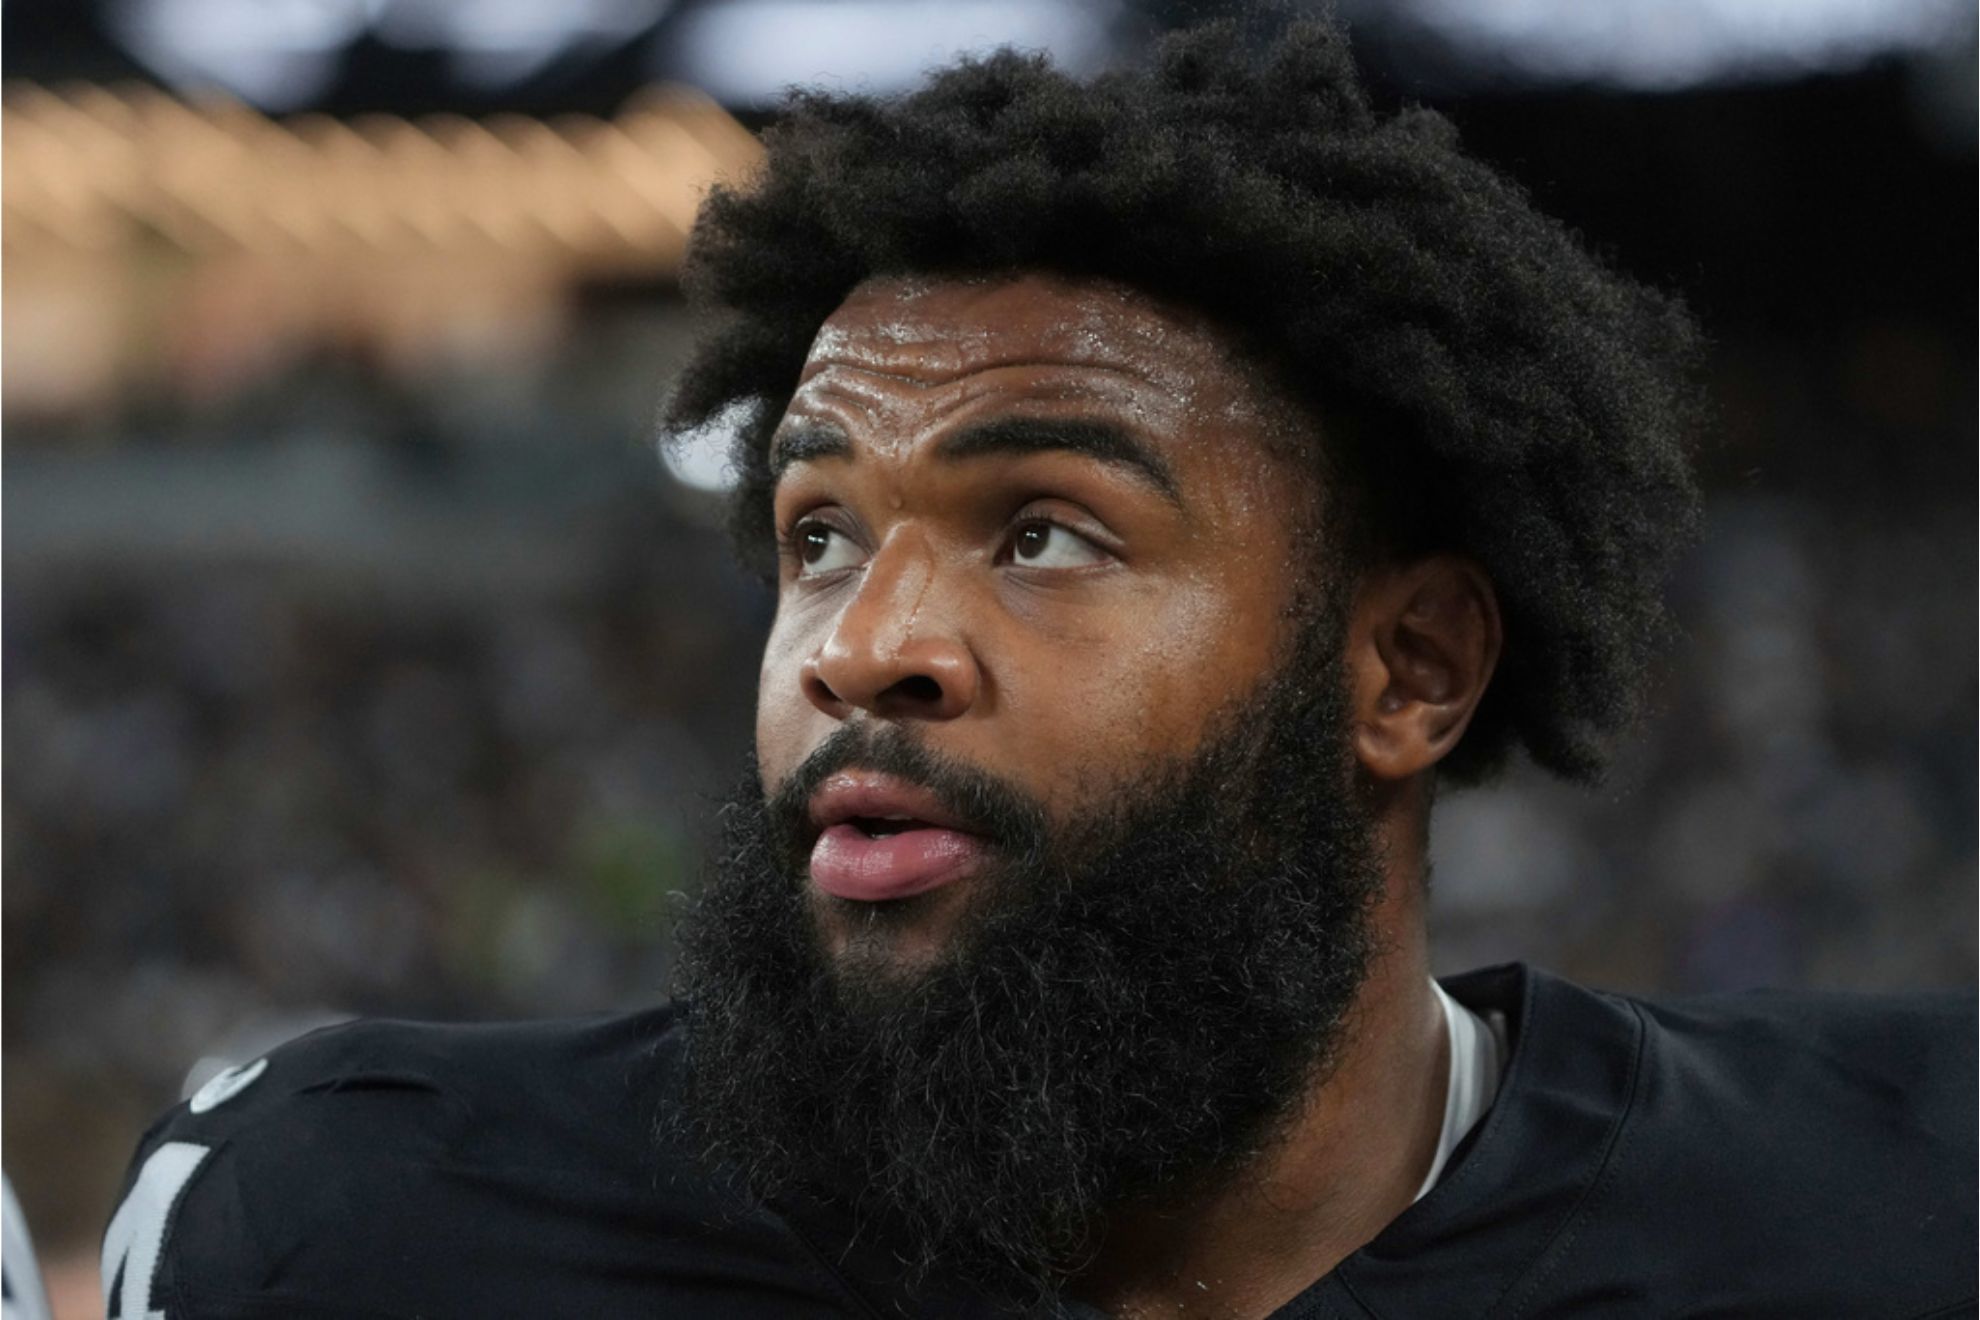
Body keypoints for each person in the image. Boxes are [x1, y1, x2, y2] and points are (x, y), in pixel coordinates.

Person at [104, 17, 1975, 1319]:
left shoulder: (1897, 1210)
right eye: (816, 535)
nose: (864, 648)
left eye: (1046, 535)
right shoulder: (362, 1228)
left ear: (1407, 670)